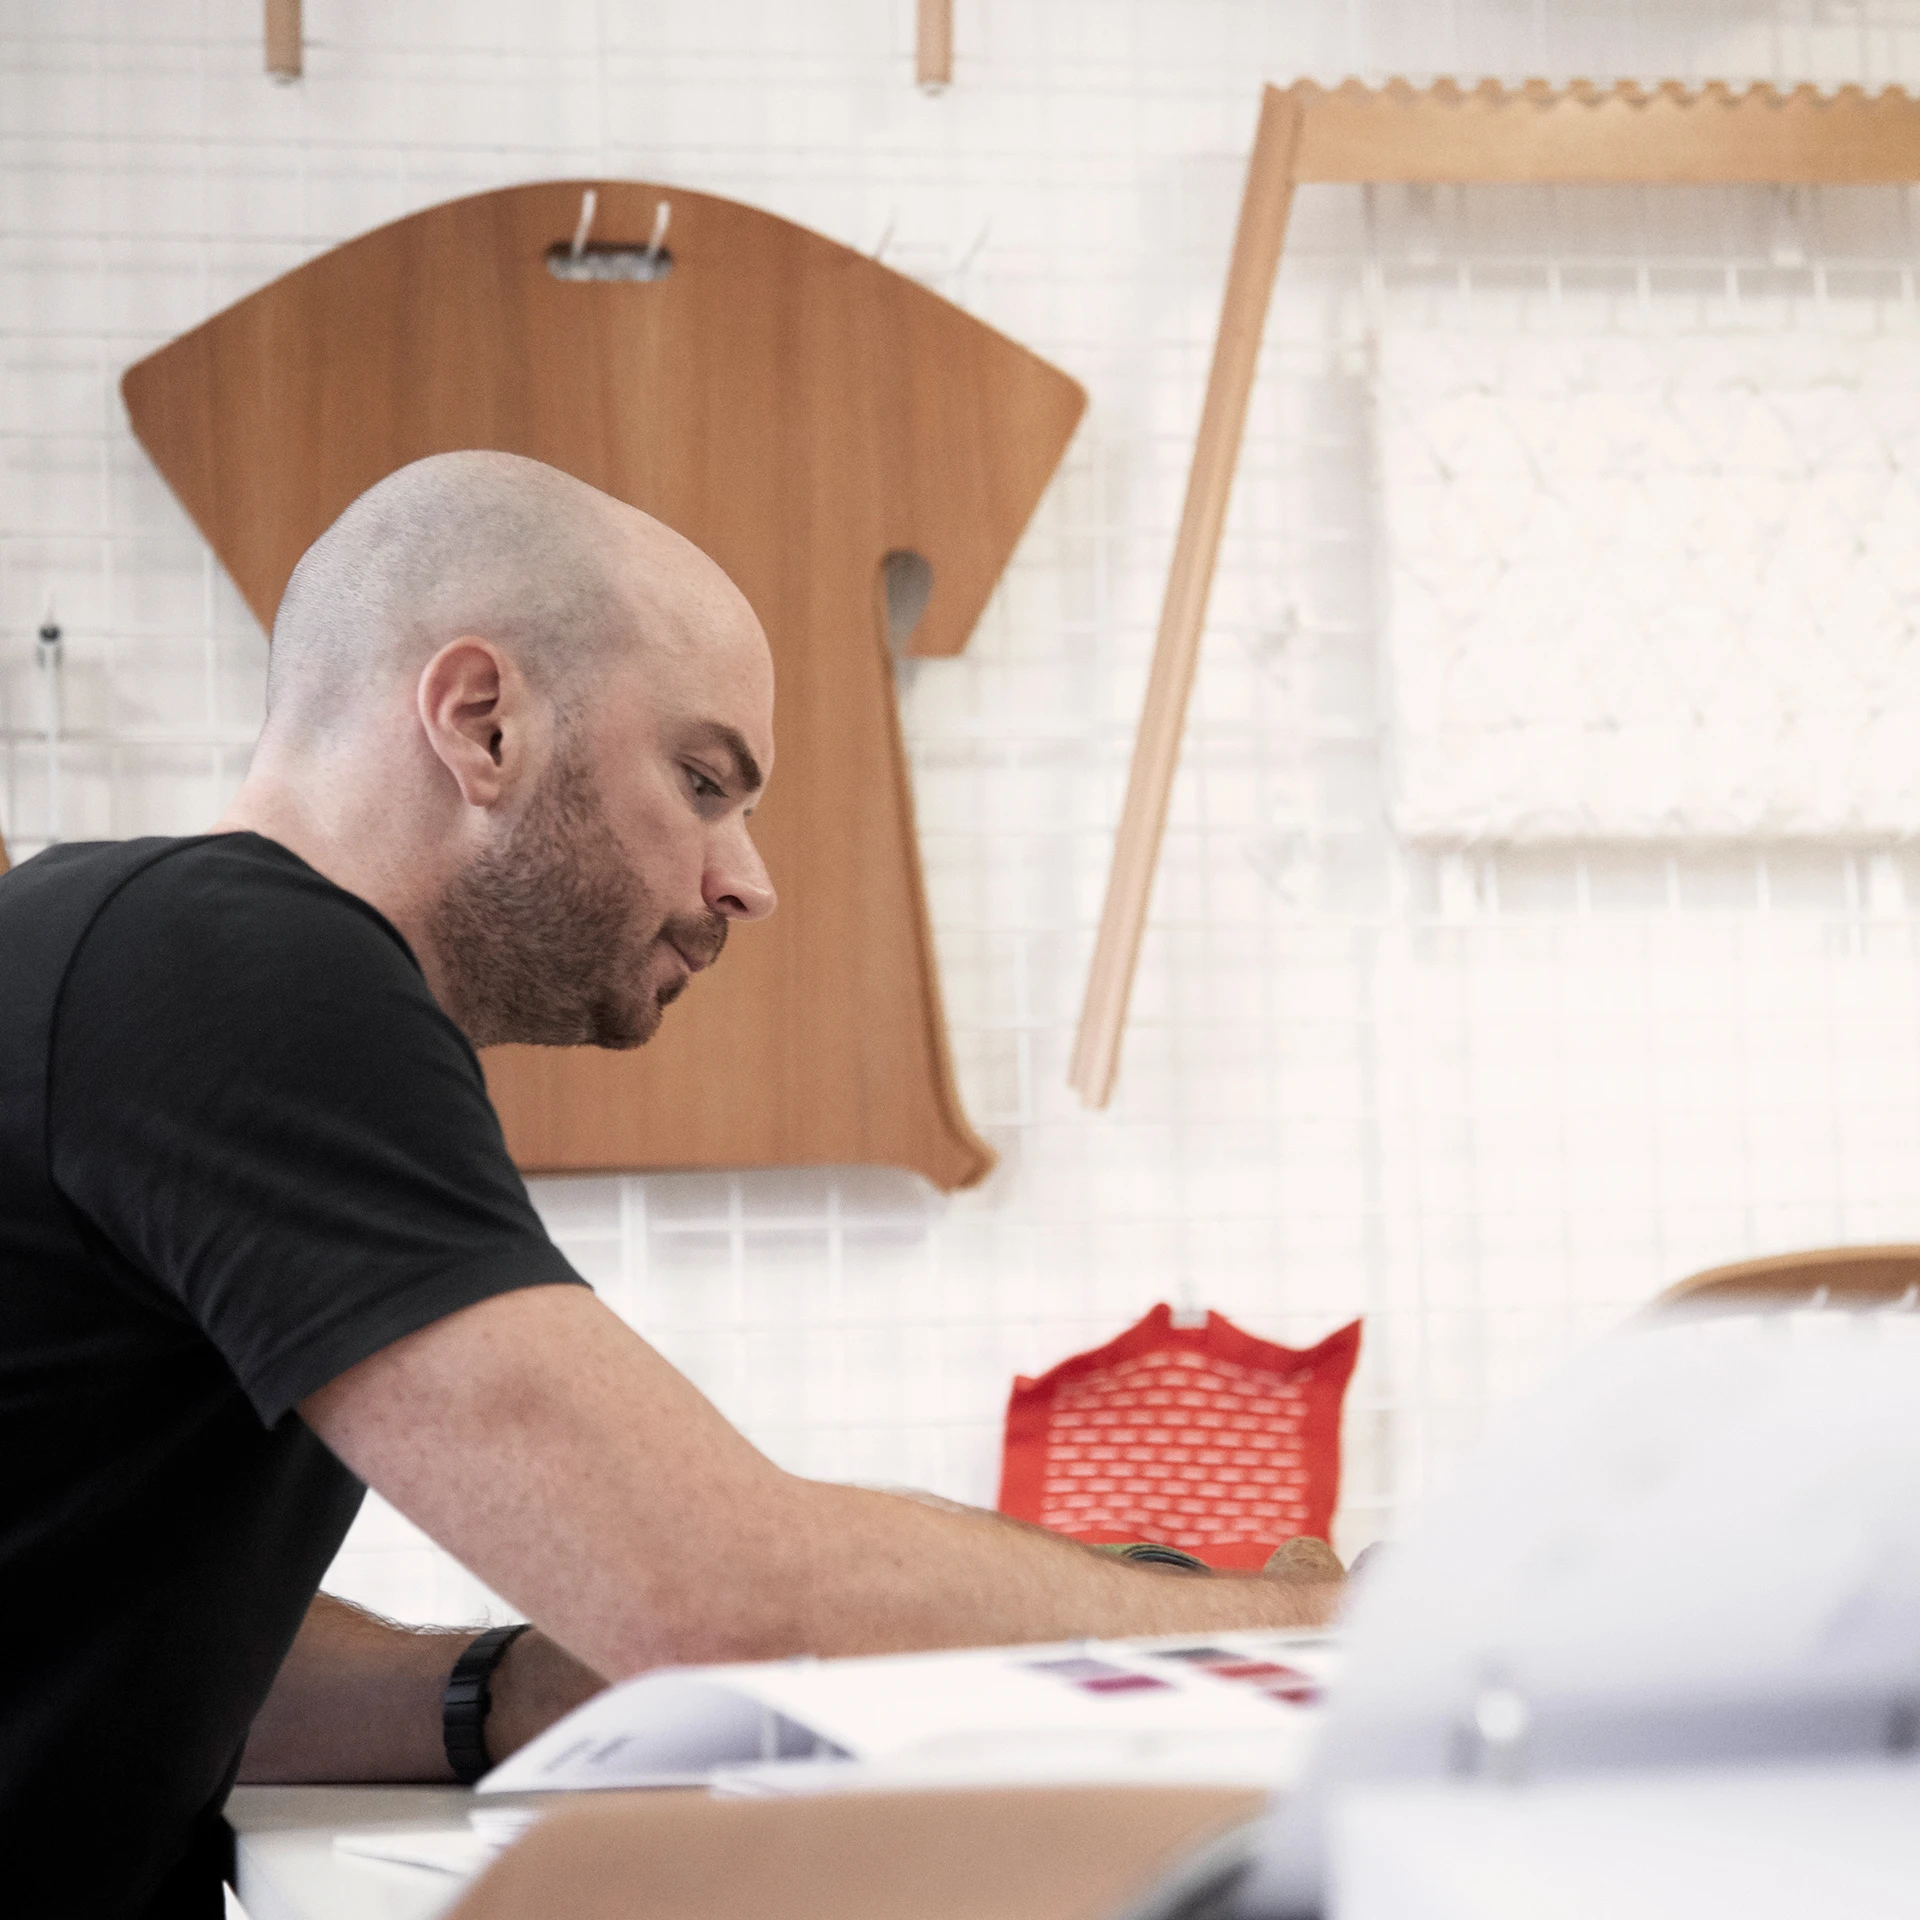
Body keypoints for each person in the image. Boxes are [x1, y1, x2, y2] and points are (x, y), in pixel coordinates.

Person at [0, 452, 1343, 1920]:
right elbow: (727, 1602)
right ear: (480, 719)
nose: (748, 880)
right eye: (703, 782)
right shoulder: (248, 972)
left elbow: (156, 1657)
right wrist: (1301, 1623)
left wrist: (508, 1691)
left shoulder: (122, 947)